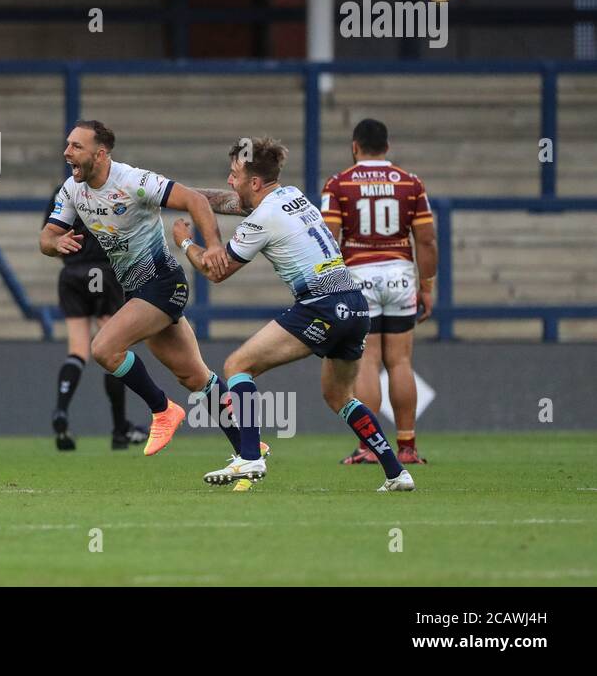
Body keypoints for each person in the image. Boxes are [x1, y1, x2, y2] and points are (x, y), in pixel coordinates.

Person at [176, 137, 414, 492]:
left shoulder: (263, 219)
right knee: (340, 397)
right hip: (355, 304)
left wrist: (184, 241)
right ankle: (397, 473)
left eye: (234, 174)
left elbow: (216, 272)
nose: (229, 180)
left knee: (238, 366)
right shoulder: (291, 197)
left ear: (254, 182)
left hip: (322, 304)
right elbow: (229, 201)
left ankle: (249, 455)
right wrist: (180, 194)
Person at [39, 120, 249, 460]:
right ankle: (248, 448)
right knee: (195, 377)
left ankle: (163, 410)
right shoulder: (72, 191)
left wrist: (212, 246)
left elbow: (195, 200)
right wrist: (55, 242)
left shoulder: (134, 181)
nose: (67, 153)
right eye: (68, 145)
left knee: (104, 349)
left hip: (163, 283)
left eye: (76, 146)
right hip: (136, 291)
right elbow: (46, 237)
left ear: (101, 154)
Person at [322, 119, 436, 466]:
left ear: (355, 146)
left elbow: (327, 238)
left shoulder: (339, 184)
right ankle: (407, 446)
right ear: (387, 147)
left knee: (367, 360)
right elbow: (427, 240)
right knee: (400, 361)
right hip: (401, 274)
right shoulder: (410, 183)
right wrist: (426, 285)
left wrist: (331, 285)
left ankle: (370, 447)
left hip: (359, 275)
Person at [45, 183, 147, 451]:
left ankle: (61, 412)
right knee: (114, 348)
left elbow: (50, 237)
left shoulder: (62, 192)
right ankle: (119, 429)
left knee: (77, 351)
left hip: (71, 274)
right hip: (103, 272)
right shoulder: (111, 189)